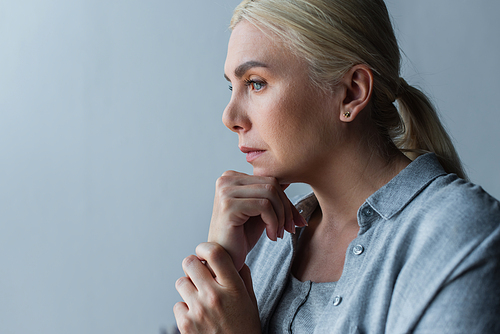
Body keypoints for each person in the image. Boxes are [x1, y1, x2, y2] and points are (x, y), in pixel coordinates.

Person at [173, 0, 500, 333]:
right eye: (233, 86)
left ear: (350, 92)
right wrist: (220, 268)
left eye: (256, 83)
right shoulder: (263, 238)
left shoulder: (463, 238)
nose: (229, 118)